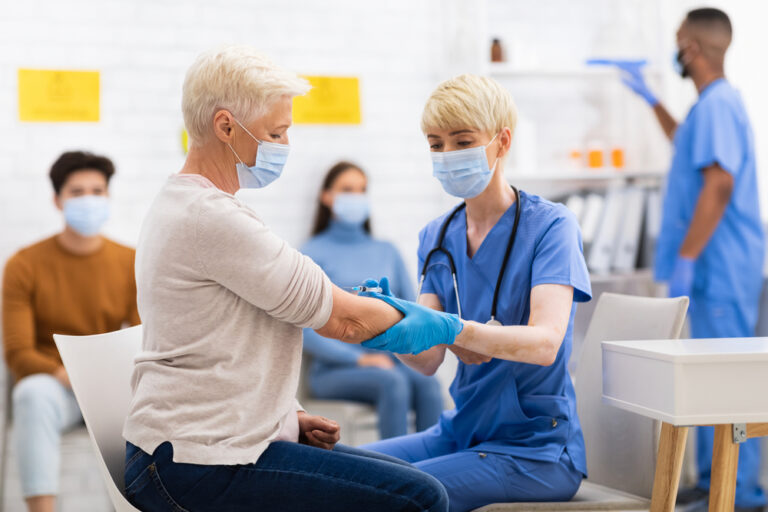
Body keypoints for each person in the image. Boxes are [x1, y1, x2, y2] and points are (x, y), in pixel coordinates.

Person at [120, 45, 467, 512]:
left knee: (413, 482)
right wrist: (453, 328)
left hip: (203, 446)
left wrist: (287, 416)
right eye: (276, 132)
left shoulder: (190, 205)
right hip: (194, 464)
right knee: (422, 499)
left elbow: (220, 344)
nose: (284, 145)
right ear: (225, 127)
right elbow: (343, 321)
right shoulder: (211, 219)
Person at [361, 74, 592, 512]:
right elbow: (427, 360)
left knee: (389, 496)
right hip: (461, 431)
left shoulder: (551, 227)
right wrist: (388, 326)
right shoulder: (438, 234)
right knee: (340, 473)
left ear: (502, 142)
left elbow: (545, 344)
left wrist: (455, 330)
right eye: (436, 143)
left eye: (462, 140)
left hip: (534, 449)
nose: (447, 155)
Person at [610, 8, 765, 511]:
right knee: (706, 379)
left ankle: (738, 495)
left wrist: (687, 257)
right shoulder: (709, 107)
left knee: (728, 382)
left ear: (691, 49)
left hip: (721, 265)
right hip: (712, 265)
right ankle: (711, 484)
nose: (675, 50)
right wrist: (653, 101)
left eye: (678, 41)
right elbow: (685, 141)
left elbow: (718, 186)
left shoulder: (719, 105)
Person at [2, 151, 140, 512]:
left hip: (109, 387)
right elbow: (18, 353)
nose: (89, 199)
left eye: (97, 190)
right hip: (55, 387)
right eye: (77, 192)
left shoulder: (129, 261)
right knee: (31, 394)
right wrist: (69, 376)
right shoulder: (24, 264)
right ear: (57, 200)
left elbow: (142, 338)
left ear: (108, 196)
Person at [301, 161, 443, 439]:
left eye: (362, 190)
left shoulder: (386, 251)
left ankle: (433, 472)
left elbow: (410, 310)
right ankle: (399, 476)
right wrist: (359, 360)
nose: (356, 196)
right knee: (393, 383)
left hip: (389, 361)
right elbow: (304, 329)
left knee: (429, 384)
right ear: (327, 196)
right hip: (333, 371)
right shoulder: (310, 253)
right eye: (347, 189)